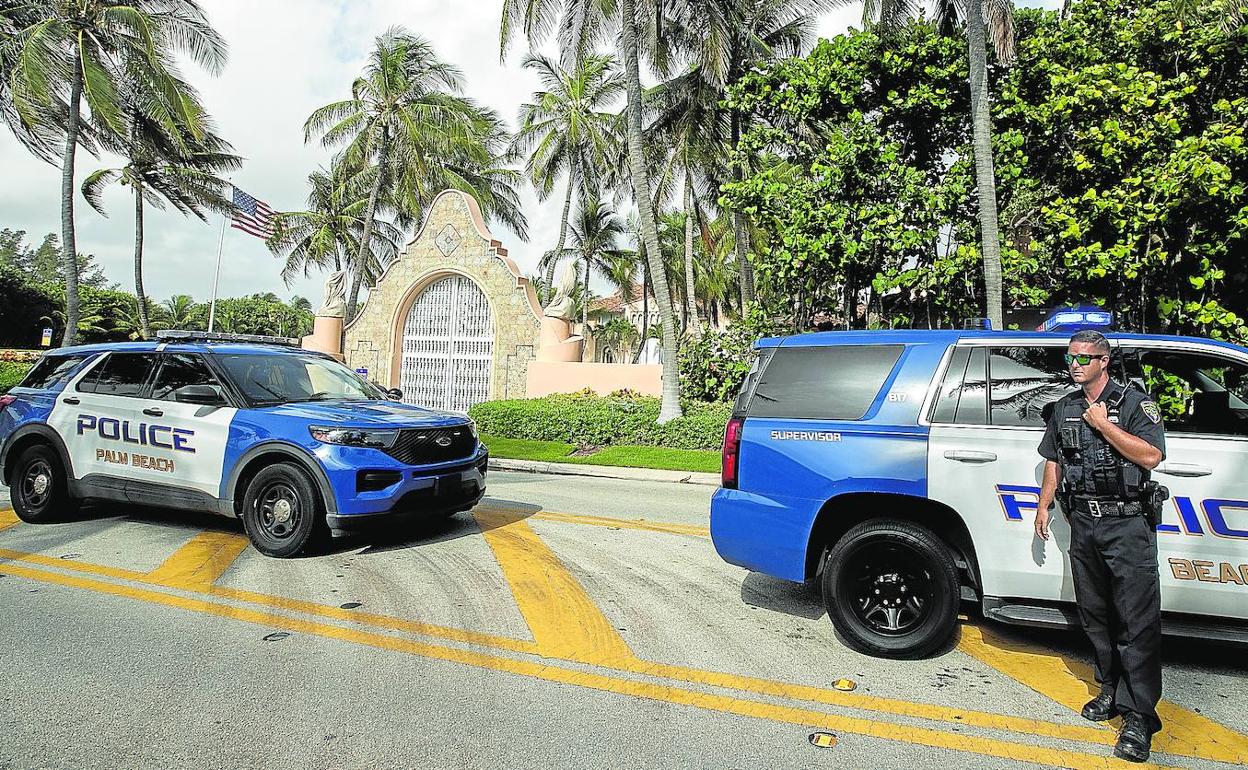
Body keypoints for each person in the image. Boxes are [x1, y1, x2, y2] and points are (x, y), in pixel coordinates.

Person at [1034, 329, 1167, 763]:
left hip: (1127, 524)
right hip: (1085, 524)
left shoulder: (1133, 402)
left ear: (1104, 361)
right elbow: (1054, 458)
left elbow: (1150, 456)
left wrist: (1104, 424)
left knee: (1135, 620)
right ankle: (1110, 688)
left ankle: (1138, 715)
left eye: (1084, 359)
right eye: (1070, 357)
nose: (1074, 365)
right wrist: (1044, 504)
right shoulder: (1065, 406)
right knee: (1095, 615)